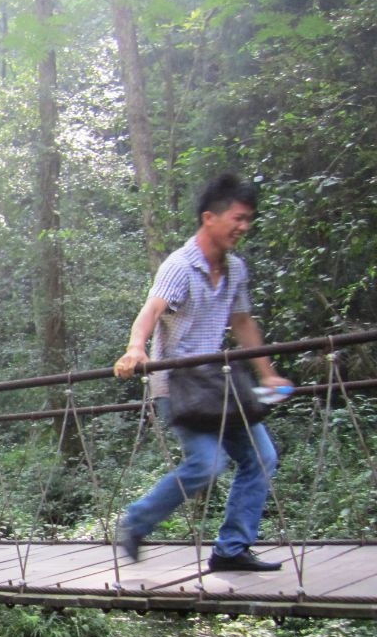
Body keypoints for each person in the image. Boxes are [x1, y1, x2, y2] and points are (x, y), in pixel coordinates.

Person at [113, 173, 291, 572]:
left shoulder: (235, 270)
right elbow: (152, 310)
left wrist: (267, 374)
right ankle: (136, 521)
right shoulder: (180, 266)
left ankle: (231, 549)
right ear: (210, 217)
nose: (243, 228)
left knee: (261, 457)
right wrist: (134, 348)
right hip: (177, 385)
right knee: (207, 464)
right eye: (238, 218)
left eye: (248, 220)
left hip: (218, 383)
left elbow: (242, 322)